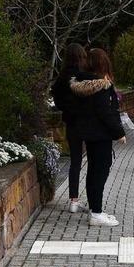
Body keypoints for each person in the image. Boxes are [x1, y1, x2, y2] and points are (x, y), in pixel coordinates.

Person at [70, 48, 126, 227]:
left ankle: (96, 209)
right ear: (103, 64)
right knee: (99, 172)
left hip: (88, 134)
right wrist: (119, 133)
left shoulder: (81, 84)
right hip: (101, 135)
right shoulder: (101, 86)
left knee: (93, 171)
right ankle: (96, 212)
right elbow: (106, 113)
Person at [50, 43, 87, 214]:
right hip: (87, 122)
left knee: (75, 161)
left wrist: (66, 108)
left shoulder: (62, 77)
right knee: (92, 161)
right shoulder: (83, 76)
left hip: (71, 122)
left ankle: (73, 199)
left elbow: (56, 98)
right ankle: (94, 199)